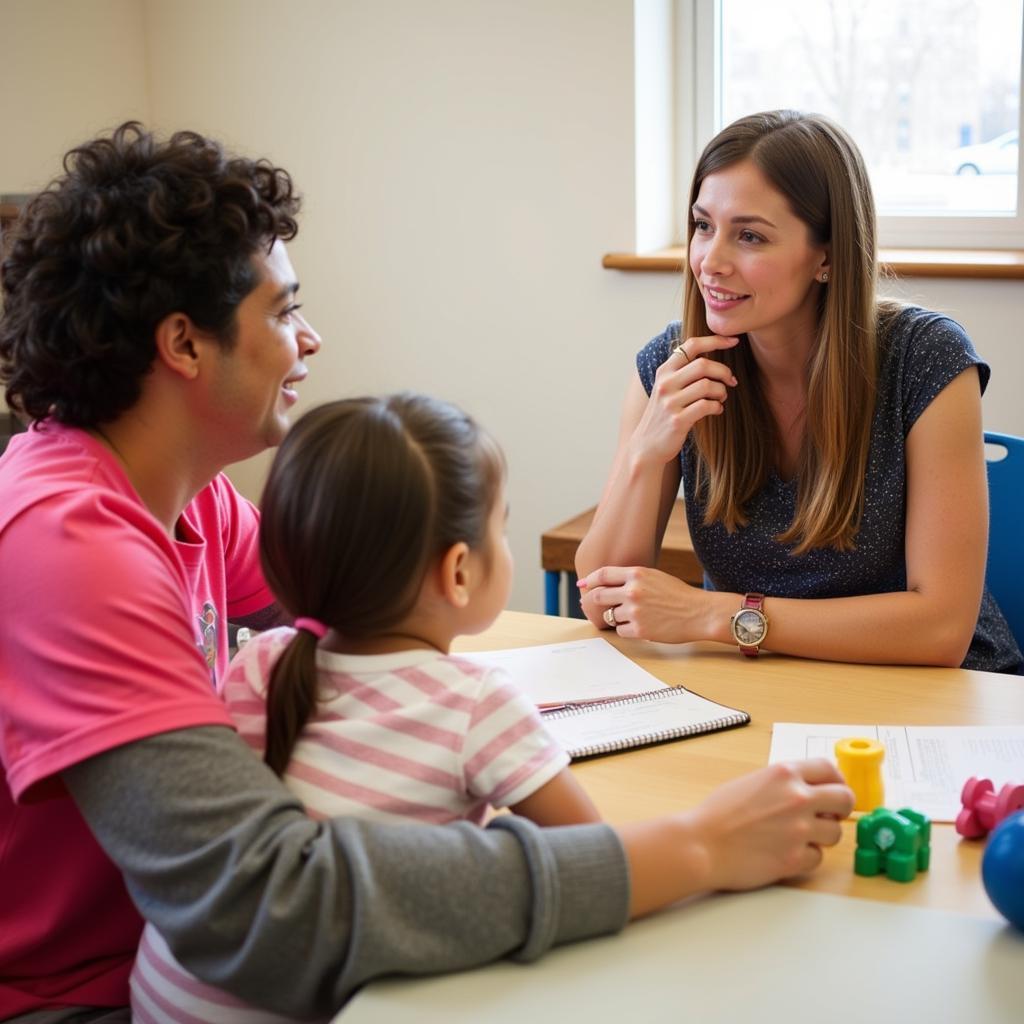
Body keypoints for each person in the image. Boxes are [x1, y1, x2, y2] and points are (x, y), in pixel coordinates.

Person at [0, 122, 853, 1022]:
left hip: (165, 958)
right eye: (284, 311)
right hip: (80, 999)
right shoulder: (68, 546)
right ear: (183, 344)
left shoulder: (192, 500)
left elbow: (366, 605)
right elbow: (263, 902)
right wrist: (696, 848)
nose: (311, 338)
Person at [132, 392, 607, 1020]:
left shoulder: (262, 663)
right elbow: (595, 857)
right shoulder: (478, 704)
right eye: (502, 525)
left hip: (166, 999)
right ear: (458, 571)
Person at [575, 109, 1022, 674]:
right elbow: (601, 599)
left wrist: (716, 616)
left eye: (750, 236)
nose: (710, 261)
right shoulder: (673, 365)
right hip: (767, 686)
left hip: (933, 694)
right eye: (703, 225)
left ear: (827, 257)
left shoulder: (926, 358)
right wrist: (647, 449)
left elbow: (940, 630)